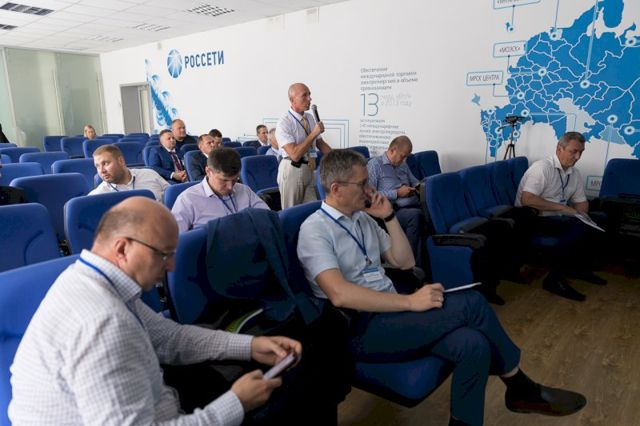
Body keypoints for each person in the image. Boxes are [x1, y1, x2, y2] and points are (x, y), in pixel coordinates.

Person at [297, 149, 587, 426]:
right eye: (362, 184)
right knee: (472, 302)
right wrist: (411, 302)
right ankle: (521, 388)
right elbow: (339, 294)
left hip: (391, 312)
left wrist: (389, 217)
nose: (370, 189)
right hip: (360, 328)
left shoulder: (362, 219)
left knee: (473, 345)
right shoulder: (315, 229)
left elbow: (405, 261)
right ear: (336, 189)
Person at [9, 196, 318, 425]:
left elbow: (170, 339)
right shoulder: (102, 323)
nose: (171, 266)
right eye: (163, 255)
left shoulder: (95, 279)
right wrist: (235, 404)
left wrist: (250, 345)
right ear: (122, 248)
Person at [515, 131, 607, 301]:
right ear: (559, 149)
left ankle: (578, 269)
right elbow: (527, 199)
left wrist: (582, 213)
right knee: (575, 227)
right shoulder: (542, 168)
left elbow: (581, 203)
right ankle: (553, 280)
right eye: (574, 151)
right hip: (533, 218)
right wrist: (564, 209)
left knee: (600, 219)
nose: (578, 157)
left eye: (581, 152)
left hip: (558, 217)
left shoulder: (574, 173)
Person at [172, 147, 268, 232]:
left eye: (235, 180)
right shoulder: (188, 200)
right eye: (224, 180)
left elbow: (267, 218)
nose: (230, 186)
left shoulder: (244, 190)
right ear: (208, 171)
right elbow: (174, 240)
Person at [367, 135, 425, 266]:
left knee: (429, 213)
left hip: (412, 203)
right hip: (393, 209)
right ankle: (410, 265)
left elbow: (415, 181)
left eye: (406, 157)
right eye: (402, 156)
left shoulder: (403, 164)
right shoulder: (375, 165)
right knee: (415, 216)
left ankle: (425, 265)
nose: (404, 160)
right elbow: (370, 195)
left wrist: (418, 188)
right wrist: (396, 194)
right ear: (392, 150)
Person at [275, 83, 332, 208]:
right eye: (304, 95)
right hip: (292, 169)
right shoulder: (284, 123)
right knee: (291, 212)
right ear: (292, 99)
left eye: (309, 95)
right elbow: (295, 154)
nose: (309, 99)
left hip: (309, 168)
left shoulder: (310, 117)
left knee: (312, 210)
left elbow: (320, 143)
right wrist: (313, 133)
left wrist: (339, 157)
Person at [90, 144, 169, 202]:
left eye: (106, 163)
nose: (102, 171)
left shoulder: (150, 175)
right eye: (97, 166)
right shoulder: (97, 196)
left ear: (121, 161)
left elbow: (172, 198)